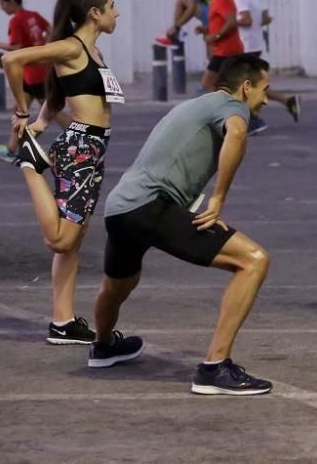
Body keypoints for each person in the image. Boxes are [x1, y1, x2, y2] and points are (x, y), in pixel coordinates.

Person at [88, 55, 273, 397]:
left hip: (120, 208)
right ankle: (215, 367)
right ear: (245, 88)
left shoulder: (196, 106)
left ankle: (103, 347)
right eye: (265, 89)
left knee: (119, 284)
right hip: (150, 205)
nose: (266, 99)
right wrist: (218, 199)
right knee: (253, 260)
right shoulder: (233, 107)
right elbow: (236, 134)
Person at [1, 0, 123, 345]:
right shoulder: (71, 46)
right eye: (112, 6)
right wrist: (23, 110)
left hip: (93, 148)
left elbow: (61, 94)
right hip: (81, 147)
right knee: (60, 239)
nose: (117, 12)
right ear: (94, 13)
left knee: (73, 245)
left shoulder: (92, 52)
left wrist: (38, 123)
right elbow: (12, 59)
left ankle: (63, 322)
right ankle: (31, 165)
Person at [0, 0, 70, 162]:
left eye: (1, 3)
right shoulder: (34, 15)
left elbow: (16, 48)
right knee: (19, 111)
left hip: (33, 74)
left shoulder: (16, 21)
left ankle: (81, 138)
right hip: (35, 71)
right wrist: (44, 46)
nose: (1, 7)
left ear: (11, 2)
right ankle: (11, 149)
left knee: (50, 111)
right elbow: (51, 29)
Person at [227, 0, 300, 134]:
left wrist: (229, 23)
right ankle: (288, 101)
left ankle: (254, 120)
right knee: (251, 84)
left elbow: (246, 20)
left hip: (246, 45)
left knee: (241, 86)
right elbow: (266, 18)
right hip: (255, 44)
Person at [197, 0, 244, 92]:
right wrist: (206, 29)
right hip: (225, 50)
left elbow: (231, 22)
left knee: (205, 86)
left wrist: (215, 37)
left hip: (225, 51)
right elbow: (222, 21)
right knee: (217, 88)